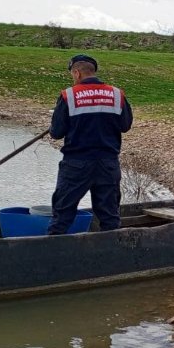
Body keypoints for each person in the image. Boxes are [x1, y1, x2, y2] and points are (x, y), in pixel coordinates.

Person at [47, 54, 133, 234]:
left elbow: (56, 133)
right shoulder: (117, 95)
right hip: (108, 163)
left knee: (62, 214)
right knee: (109, 216)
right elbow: (125, 126)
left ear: (77, 73)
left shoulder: (68, 96)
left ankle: (52, 254)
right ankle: (111, 253)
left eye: (72, 74)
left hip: (76, 164)